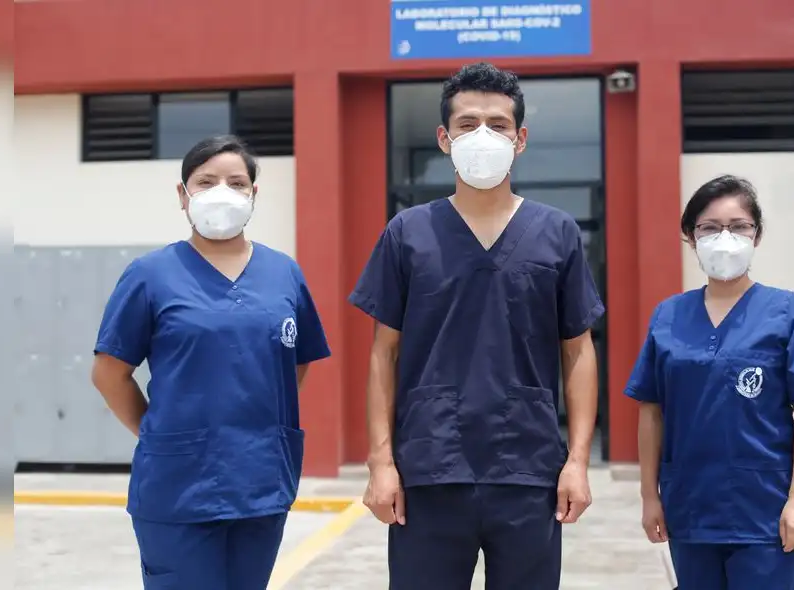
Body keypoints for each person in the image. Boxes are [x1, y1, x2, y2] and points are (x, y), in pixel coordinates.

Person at [349, 62, 604, 590]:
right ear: (444, 138)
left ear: (521, 138)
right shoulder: (408, 233)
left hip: (528, 469)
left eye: (498, 124)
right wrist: (381, 463)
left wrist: (577, 461)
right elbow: (384, 354)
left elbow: (578, 352)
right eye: (467, 125)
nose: (482, 136)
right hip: (430, 469)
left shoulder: (556, 233)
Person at [90, 135, 331, 590]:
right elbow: (109, 373)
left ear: (254, 195)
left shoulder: (284, 273)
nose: (223, 191)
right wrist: (158, 431)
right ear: (183, 195)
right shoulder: (150, 275)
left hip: (261, 482)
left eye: (237, 182)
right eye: (206, 181)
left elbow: (294, 364)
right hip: (177, 489)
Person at [625, 175, 794, 590]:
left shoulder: (788, 311)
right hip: (690, 506)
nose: (725, 238)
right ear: (691, 237)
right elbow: (651, 411)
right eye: (709, 227)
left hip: (766, 511)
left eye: (739, 226)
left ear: (756, 237)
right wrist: (651, 496)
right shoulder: (669, 315)